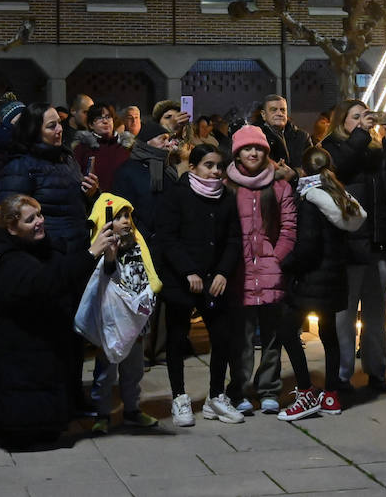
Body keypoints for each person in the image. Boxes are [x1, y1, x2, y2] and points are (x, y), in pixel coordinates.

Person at [0, 195, 114, 443]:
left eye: (40, 215)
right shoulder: (6, 258)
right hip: (17, 348)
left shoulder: (40, 247)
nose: (40, 222)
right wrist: (91, 252)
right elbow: (47, 281)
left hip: (40, 344)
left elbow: (61, 270)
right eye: (30, 219)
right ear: (12, 227)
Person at [322, 98, 386, 393]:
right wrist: (361, 135)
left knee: (376, 315)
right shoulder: (331, 147)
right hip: (348, 245)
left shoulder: (376, 150)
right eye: (355, 117)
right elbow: (341, 170)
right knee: (344, 315)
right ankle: (343, 375)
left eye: (366, 117)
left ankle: (377, 372)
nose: (363, 122)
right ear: (342, 121)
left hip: (378, 242)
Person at [276, 146, 367, 421]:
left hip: (312, 279)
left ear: (304, 171)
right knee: (329, 334)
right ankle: (331, 395)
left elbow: (308, 248)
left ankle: (305, 393)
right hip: (335, 278)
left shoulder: (309, 200)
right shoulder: (338, 195)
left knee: (288, 331)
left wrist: (284, 264)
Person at [154, 145, 241, 427]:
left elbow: (233, 239)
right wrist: (187, 270)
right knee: (178, 338)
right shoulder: (177, 194)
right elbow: (167, 237)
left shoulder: (227, 197)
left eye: (218, 166)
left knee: (222, 336)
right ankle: (179, 397)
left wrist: (223, 272)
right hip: (182, 280)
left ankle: (216, 396)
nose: (215, 171)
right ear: (192, 167)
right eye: (208, 165)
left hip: (214, 280)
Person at [225, 124, 296, 417]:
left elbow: (289, 229)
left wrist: (276, 260)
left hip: (270, 272)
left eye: (258, 148)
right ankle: (239, 389)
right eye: (246, 148)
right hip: (239, 273)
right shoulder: (227, 186)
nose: (253, 152)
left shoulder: (280, 186)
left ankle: (268, 388)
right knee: (240, 337)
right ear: (237, 153)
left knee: (271, 336)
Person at [86, 193, 162, 435]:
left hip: (136, 320)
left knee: (134, 369)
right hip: (110, 321)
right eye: (118, 217)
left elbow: (148, 272)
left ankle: (132, 410)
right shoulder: (100, 247)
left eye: (127, 215)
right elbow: (102, 276)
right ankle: (102, 414)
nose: (125, 221)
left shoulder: (138, 242)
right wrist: (109, 254)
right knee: (106, 371)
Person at [0, 103, 98, 248]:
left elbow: (74, 204)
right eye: (52, 126)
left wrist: (91, 193)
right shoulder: (21, 166)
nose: (60, 129)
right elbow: (9, 216)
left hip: (78, 245)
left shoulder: (67, 158)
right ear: (35, 131)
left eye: (59, 123)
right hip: (47, 252)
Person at [112, 120, 180, 235]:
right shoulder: (128, 170)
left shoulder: (168, 168)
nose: (168, 144)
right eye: (163, 139)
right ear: (147, 142)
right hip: (142, 238)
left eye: (168, 139)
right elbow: (123, 208)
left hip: (168, 238)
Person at [73, 102, 133, 192]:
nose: (105, 121)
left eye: (108, 117)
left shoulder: (125, 148)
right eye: (99, 118)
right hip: (94, 202)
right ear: (91, 125)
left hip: (123, 202)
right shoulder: (82, 149)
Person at [259, 95, 312, 170]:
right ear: (263, 114)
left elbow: (311, 167)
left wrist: (294, 174)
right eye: (274, 110)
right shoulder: (256, 137)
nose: (279, 114)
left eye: (283, 110)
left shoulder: (302, 137)